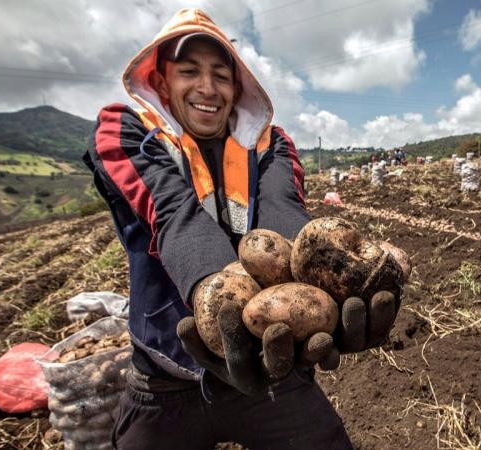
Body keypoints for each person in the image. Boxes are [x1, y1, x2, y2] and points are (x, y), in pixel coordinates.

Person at [83, 8, 399, 450]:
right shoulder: (127, 131)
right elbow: (172, 211)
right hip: (164, 375)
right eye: (189, 72)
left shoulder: (270, 143)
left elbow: (282, 208)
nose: (207, 88)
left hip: (265, 364)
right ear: (161, 83)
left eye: (221, 75)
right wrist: (220, 299)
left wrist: (322, 279)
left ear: (237, 87)